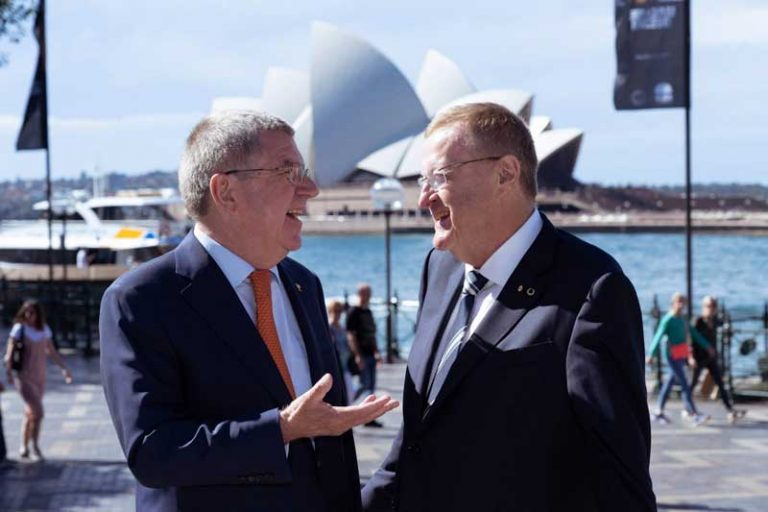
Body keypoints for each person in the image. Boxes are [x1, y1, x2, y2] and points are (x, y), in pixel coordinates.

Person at [99, 111, 398, 512]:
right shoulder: (141, 299)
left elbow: (325, 438)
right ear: (226, 192)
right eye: (287, 171)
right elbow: (154, 453)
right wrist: (281, 429)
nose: (310, 189)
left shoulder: (304, 284)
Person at [362, 103, 655, 511]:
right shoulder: (440, 268)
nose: (424, 198)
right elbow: (412, 446)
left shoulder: (591, 289)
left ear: (505, 173)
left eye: (439, 178)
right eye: (422, 180)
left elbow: (619, 480)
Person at [3, 299, 73, 461]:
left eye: (32, 312)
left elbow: (52, 352)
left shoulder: (44, 330)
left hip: (40, 377)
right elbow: (9, 354)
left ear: (38, 314)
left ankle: (24, 446)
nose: (29, 315)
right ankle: (35, 446)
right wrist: (8, 373)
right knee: (38, 412)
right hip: (23, 377)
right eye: (26, 312)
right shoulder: (19, 329)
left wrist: (64, 369)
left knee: (30, 413)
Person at [647, 292, 711, 426]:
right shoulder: (668, 319)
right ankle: (693, 413)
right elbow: (658, 336)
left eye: (683, 302)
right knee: (685, 384)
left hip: (680, 354)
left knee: (670, 382)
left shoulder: (683, 319)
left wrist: (707, 346)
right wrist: (650, 354)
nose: (681, 305)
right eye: (679, 302)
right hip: (671, 356)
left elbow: (694, 334)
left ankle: (658, 410)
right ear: (673, 303)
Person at [691, 295, 747, 423]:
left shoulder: (715, 320)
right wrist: (691, 357)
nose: (710, 309)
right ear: (703, 307)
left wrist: (729, 330)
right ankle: (689, 408)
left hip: (711, 358)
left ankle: (729, 409)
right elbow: (691, 340)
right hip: (699, 358)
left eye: (713, 306)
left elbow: (725, 327)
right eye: (708, 306)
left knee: (720, 383)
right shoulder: (697, 321)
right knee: (691, 384)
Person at [346, 284, 383, 428]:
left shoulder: (368, 312)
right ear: (359, 294)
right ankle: (345, 404)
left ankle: (369, 417)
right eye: (364, 293)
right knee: (363, 385)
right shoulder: (353, 312)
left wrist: (377, 352)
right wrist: (357, 355)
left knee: (371, 387)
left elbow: (371, 335)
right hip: (361, 354)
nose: (366, 296)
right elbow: (351, 335)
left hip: (370, 354)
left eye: (368, 293)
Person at [328, 299, 354, 401]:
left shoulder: (342, 328)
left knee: (349, 395)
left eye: (340, 311)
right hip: (335, 368)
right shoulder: (328, 328)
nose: (338, 313)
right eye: (335, 310)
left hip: (345, 366)